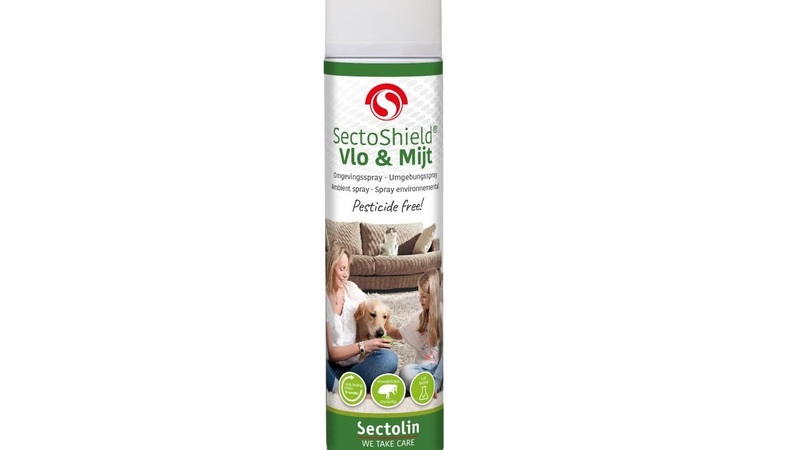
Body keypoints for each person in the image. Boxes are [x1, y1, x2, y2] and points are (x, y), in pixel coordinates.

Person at [325, 242, 397, 392]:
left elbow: (374, 308)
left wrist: (407, 330)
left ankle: (347, 388)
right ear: (330, 268)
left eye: (347, 269)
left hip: (356, 366)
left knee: (389, 359)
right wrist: (363, 346)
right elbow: (332, 354)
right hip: (331, 368)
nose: (345, 274)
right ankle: (346, 388)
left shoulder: (351, 289)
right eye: (341, 269)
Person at [387, 269, 443, 393]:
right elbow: (398, 334)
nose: (420, 300)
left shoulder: (442, 315)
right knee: (405, 372)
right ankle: (424, 387)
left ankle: (431, 385)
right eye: (419, 295)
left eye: (424, 296)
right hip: (422, 369)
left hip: (440, 369)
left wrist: (437, 379)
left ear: (434, 296)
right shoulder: (419, 317)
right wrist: (383, 325)